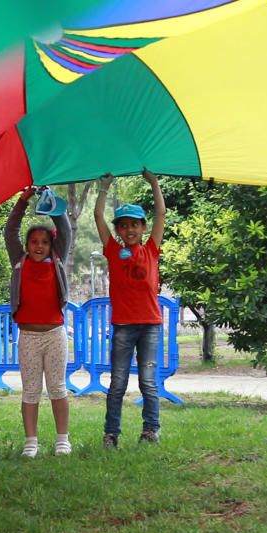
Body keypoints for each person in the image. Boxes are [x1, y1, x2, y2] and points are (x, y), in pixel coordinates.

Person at [93, 170, 166, 449]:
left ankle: (151, 430)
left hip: (150, 326)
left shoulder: (151, 250)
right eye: (123, 226)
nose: (129, 230)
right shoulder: (113, 250)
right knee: (118, 383)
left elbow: (162, 214)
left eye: (135, 225)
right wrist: (104, 187)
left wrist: (154, 183)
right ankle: (111, 434)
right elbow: (98, 217)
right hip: (123, 326)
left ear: (143, 228)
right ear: (119, 230)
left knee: (148, 382)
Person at [5, 188, 73, 457]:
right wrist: (23, 199)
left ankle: (62, 439)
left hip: (55, 334)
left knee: (57, 387)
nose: (38, 246)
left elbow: (64, 227)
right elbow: (10, 231)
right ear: (27, 244)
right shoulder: (19, 262)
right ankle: (30, 441)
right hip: (28, 337)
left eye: (44, 242)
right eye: (33, 241)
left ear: (51, 245)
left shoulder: (57, 261)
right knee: (31, 390)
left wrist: (51, 198)